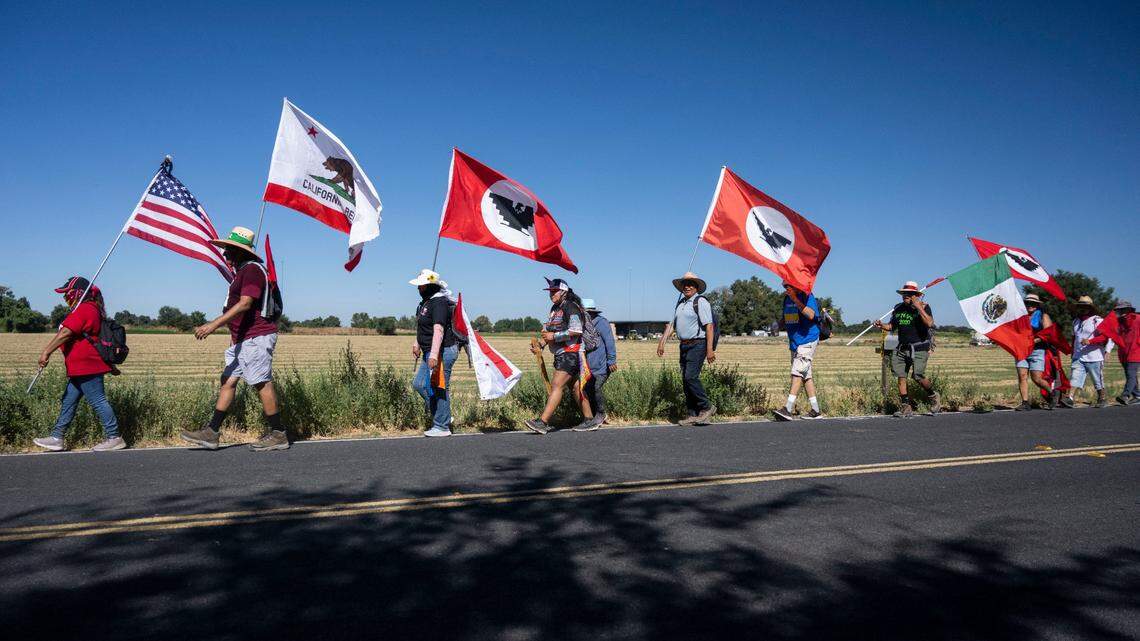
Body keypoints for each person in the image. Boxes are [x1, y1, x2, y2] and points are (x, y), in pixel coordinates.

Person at [180, 226, 288, 451]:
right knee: (228, 381)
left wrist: (213, 325)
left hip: (256, 337)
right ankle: (211, 432)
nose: (225, 253)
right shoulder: (244, 271)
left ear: (241, 251)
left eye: (229, 249)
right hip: (242, 339)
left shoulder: (251, 270)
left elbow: (246, 303)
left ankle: (279, 434)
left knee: (261, 382)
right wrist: (234, 335)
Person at [32, 277, 125, 452]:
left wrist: (46, 351)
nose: (66, 297)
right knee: (69, 400)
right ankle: (57, 437)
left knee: (98, 400)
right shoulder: (87, 309)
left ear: (79, 293)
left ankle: (114, 437)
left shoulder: (86, 309)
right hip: (79, 367)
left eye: (68, 293)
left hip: (87, 365)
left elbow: (66, 333)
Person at [525, 278, 594, 434]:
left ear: (564, 292)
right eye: (550, 292)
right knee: (576, 387)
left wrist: (553, 337)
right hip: (562, 353)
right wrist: (541, 344)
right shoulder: (555, 309)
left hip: (571, 352)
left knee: (557, 385)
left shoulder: (571, 307)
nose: (551, 294)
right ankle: (589, 420)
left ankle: (543, 422)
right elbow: (550, 331)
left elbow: (576, 331)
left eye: (554, 291)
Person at [656, 271, 717, 425]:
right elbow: (672, 325)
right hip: (684, 345)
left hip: (698, 344)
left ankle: (706, 407)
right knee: (685, 380)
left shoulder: (701, 302)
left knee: (691, 377)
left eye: (691, 284)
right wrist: (662, 342)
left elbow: (709, 326)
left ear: (696, 287)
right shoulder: (681, 303)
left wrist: (710, 350)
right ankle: (693, 414)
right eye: (685, 284)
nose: (687, 287)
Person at [874, 281, 941, 417]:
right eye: (904, 293)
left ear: (916, 296)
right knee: (901, 376)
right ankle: (906, 407)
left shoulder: (924, 307)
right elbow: (892, 326)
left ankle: (933, 396)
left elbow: (929, 323)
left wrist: (918, 307)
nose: (906, 296)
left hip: (919, 347)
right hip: (902, 348)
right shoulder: (898, 308)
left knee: (918, 376)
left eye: (910, 294)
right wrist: (881, 325)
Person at [409, 269, 459, 437]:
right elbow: (422, 326)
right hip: (430, 351)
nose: (418, 288)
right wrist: (416, 344)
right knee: (419, 384)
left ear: (429, 286)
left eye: (421, 285)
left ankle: (442, 426)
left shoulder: (439, 302)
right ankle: (443, 415)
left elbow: (439, 329)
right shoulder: (425, 302)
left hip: (442, 352)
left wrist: (433, 356)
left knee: (438, 387)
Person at [773, 283, 822, 420]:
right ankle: (815, 410)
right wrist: (778, 325)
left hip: (807, 339)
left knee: (798, 372)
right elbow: (786, 317)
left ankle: (787, 408)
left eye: (787, 285)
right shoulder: (786, 298)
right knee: (806, 375)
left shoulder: (807, 295)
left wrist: (795, 298)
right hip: (795, 341)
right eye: (784, 286)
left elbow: (811, 315)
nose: (785, 288)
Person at [1064, 295, 1112, 408]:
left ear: (1090, 308)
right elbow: (1074, 337)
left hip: (1094, 356)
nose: (1082, 309)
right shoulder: (1075, 321)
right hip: (1078, 355)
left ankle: (1102, 398)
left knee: (1097, 380)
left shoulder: (1098, 320)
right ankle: (1069, 398)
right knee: (1075, 377)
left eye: (1085, 306)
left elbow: (1105, 337)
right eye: (1080, 306)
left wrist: (1091, 341)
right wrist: (1072, 351)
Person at [1084, 300, 1136, 406]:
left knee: (1131, 374)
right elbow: (1110, 336)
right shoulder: (1116, 321)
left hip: (1136, 352)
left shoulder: (1137, 319)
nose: (1120, 311)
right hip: (1123, 352)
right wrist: (1107, 350)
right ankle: (1138, 395)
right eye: (1118, 309)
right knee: (1130, 374)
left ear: (1128, 309)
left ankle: (1125, 395)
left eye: (1122, 309)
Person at [577, 298, 618, 431]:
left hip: (602, 365)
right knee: (587, 390)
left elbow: (610, 342)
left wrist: (611, 360)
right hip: (589, 366)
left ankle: (601, 413)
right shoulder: (582, 324)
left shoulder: (601, 322)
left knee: (596, 387)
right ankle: (595, 416)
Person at [1014, 294, 1059, 410]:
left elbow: (1048, 334)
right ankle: (1025, 402)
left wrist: (1033, 340)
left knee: (1036, 378)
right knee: (1022, 376)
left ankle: (1052, 393)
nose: (1030, 305)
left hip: (1037, 350)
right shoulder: (1020, 317)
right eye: (1028, 303)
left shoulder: (1043, 317)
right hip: (1022, 350)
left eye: (1033, 303)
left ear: (1037, 305)